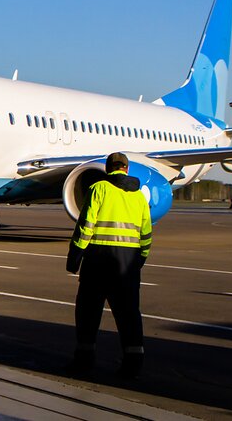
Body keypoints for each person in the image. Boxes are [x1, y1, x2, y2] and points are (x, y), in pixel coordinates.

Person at [65, 152, 152, 379]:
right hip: (127, 264)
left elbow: (85, 227)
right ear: (126, 169)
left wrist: (74, 257)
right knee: (129, 314)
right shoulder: (139, 198)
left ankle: (84, 361)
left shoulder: (99, 189)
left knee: (88, 312)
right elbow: (146, 236)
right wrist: (138, 261)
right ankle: (133, 364)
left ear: (107, 168)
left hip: (97, 260)